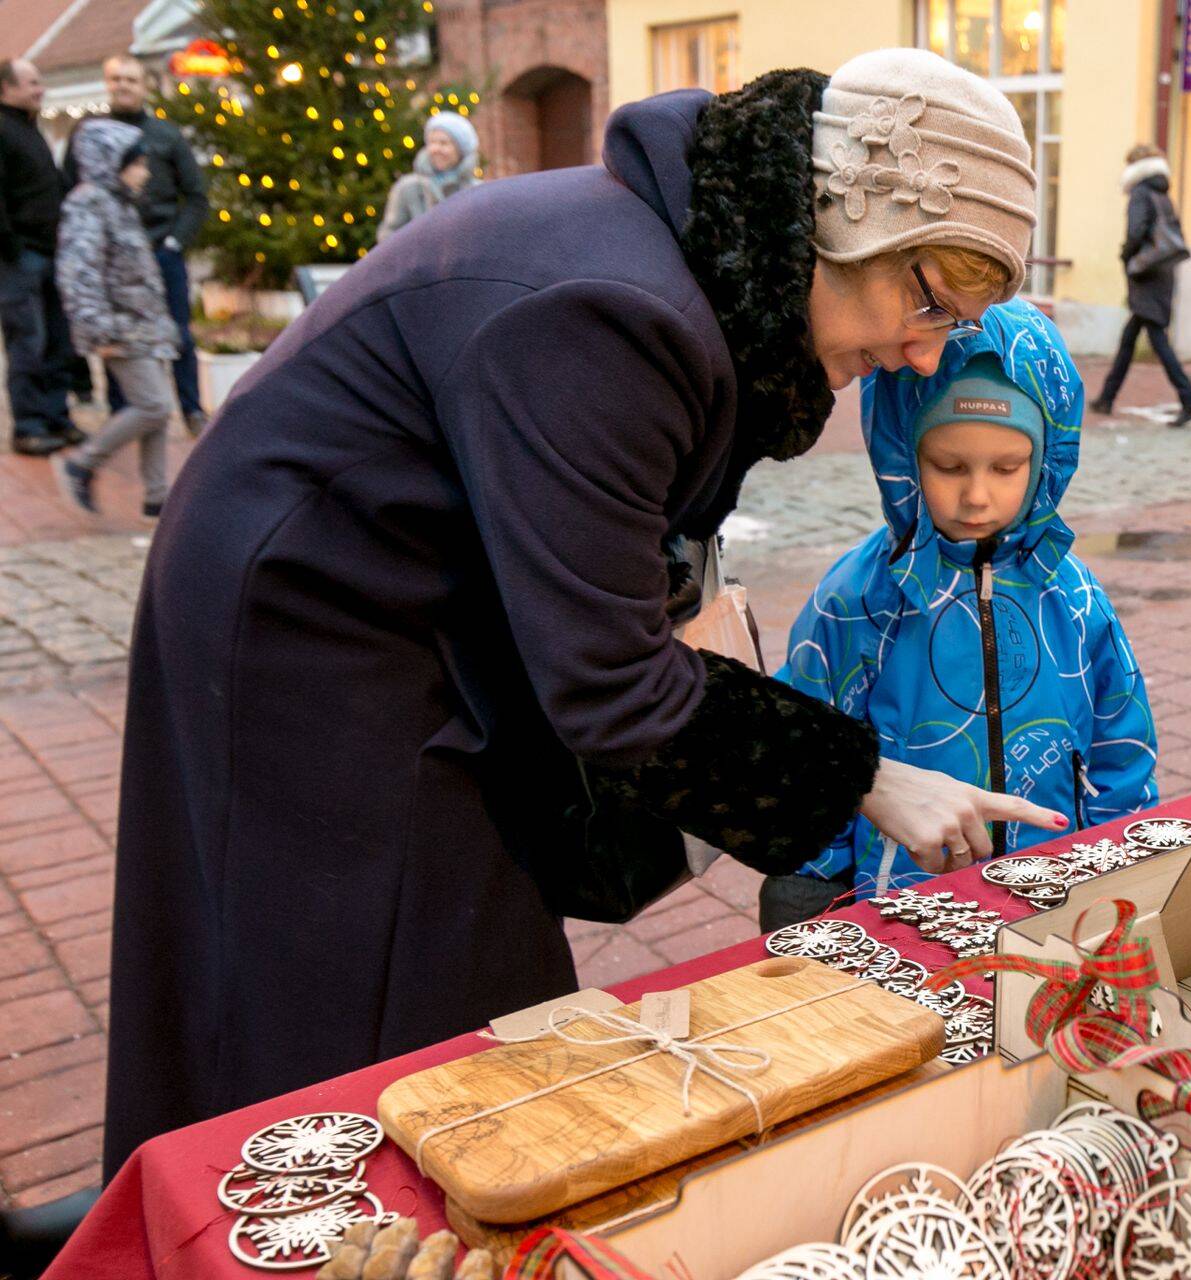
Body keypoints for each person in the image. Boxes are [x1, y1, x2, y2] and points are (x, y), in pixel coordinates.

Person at [104, 49, 1064, 1175]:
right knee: (378, 974)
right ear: (844, 216)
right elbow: (610, 683)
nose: (921, 348)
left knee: (451, 953)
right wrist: (865, 776)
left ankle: (226, 1179)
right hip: (316, 617)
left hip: (407, 593)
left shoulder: (690, 274)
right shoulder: (615, 312)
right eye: (927, 299)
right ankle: (265, 1197)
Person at [764, 302, 1158, 927]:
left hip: (1051, 897)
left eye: (1007, 468)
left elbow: (1119, 736)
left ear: (1045, 460)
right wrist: (812, 890)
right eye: (948, 466)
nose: (977, 495)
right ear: (904, 453)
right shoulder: (856, 602)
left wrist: (1126, 856)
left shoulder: (1075, 598)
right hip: (901, 907)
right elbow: (813, 738)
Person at [64, 55, 209, 435]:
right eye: (116, 79)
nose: (123, 86)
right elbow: (71, 188)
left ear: (144, 85)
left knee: (178, 334)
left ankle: (191, 408)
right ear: (107, 83)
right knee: (122, 341)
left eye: (130, 79)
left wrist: (176, 241)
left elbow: (195, 195)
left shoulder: (166, 135)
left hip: (161, 250)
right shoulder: (89, 134)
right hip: (113, 258)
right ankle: (123, 413)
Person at [54, 120, 177, 518]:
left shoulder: (118, 204)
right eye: (138, 163)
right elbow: (79, 272)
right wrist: (98, 328)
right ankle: (84, 462)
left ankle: (158, 496)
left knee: (157, 410)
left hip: (142, 324)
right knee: (154, 405)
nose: (145, 172)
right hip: (120, 327)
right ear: (112, 163)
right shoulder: (89, 204)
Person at [0, 59, 81, 456]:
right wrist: (11, 247)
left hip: (50, 253)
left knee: (57, 341)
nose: (41, 88)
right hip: (22, 258)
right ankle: (28, 426)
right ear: (6, 89)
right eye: (33, 82)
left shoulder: (29, 129)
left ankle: (55, 417)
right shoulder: (2, 130)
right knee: (28, 343)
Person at [1089, 144, 1191, 427]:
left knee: (1157, 339)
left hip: (1146, 274)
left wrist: (1126, 256)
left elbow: (1136, 231)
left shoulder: (1141, 193)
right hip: (1162, 273)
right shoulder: (1162, 192)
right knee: (1130, 338)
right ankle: (1106, 397)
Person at [378, 110, 480, 241]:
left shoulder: (476, 190)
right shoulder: (408, 187)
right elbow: (388, 236)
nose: (435, 149)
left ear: (460, 150)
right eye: (432, 142)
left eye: (443, 143)